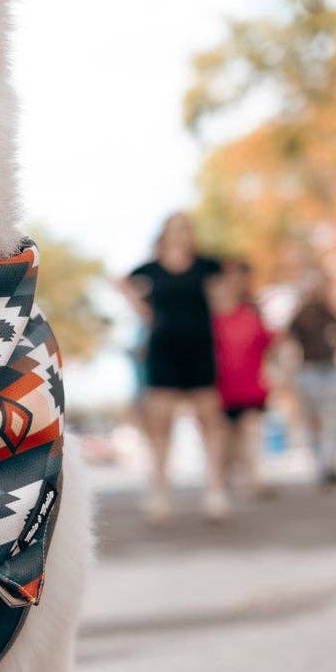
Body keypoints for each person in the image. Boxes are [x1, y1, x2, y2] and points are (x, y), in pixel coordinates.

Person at [118, 212, 227, 522]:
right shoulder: (150, 269)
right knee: (160, 423)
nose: (181, 234)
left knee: (209, 420)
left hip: (200, 349)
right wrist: (145, 313)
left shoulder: (207, 265)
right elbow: (123, 283)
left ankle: (215, 490)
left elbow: (225, 290)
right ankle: (160, 492)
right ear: (163, 234)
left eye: (186, 229)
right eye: (175, 229)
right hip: (163, 350)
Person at [212, 259, 274, 498]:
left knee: (250, 435)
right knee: (225, 443)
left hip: (250, 387)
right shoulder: (209, 318)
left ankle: (255, 480)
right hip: (218, 390)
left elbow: (267, 343)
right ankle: (225, 481)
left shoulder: (252, 312)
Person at [288, 270, 336, 485]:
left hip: (330, 370)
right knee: (313, 422)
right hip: (308, 372)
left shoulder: (331, 312)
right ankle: (322, 465)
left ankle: (329, 463)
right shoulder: (299, 315)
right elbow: (287, 343)